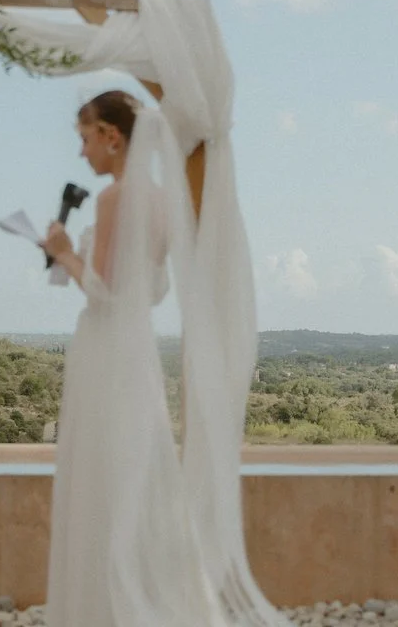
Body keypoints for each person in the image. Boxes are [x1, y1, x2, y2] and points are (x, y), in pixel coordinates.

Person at [40, 90, 291, 627]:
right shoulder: (161, 200)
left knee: (99, 475)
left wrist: (63, 252)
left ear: (111, 136)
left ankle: (100, 611)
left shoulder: (114, 198)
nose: (82, 152)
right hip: (138, 349)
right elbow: (151, 290)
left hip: (105, 346)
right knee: (133, 471)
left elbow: (104, 291)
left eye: (85, 139)